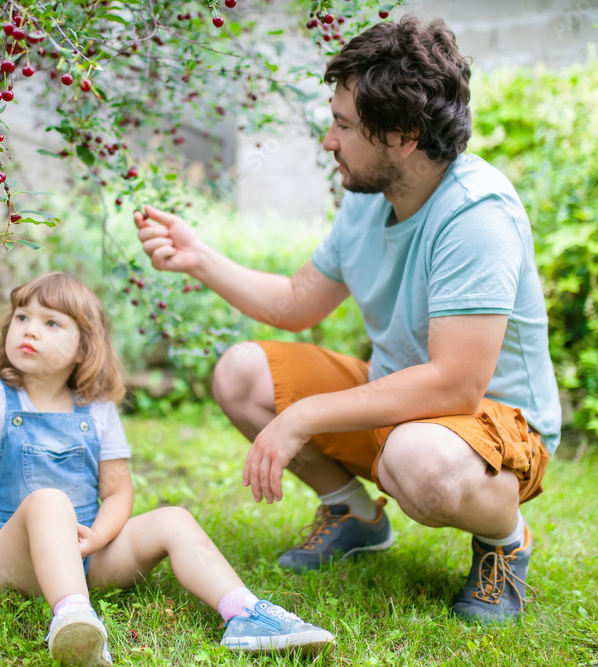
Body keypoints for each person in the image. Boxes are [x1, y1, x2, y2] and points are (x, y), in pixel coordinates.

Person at [133, 16, 561, 625]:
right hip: (404, 406)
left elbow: (455, 385)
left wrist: (304, 418)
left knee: (418, 461)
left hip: (495, 428)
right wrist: (198, 259)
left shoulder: (476, 212)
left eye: (343, 126)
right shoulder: (369, 198)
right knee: (241, 374)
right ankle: (354, 515)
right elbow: (295, 302)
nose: (329, 142)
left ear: (404, 135)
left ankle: (505, 541)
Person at [0, 272, 335, 666]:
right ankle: (74, 617)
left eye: (50, 322)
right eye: (21, 317)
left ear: (83, 347)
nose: (28, 330)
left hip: (86, 555)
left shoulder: (96, 411)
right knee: (49, 501)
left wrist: (97, 538)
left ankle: (244, 613)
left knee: (173, 517)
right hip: (10, 562)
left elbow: (117, 493)